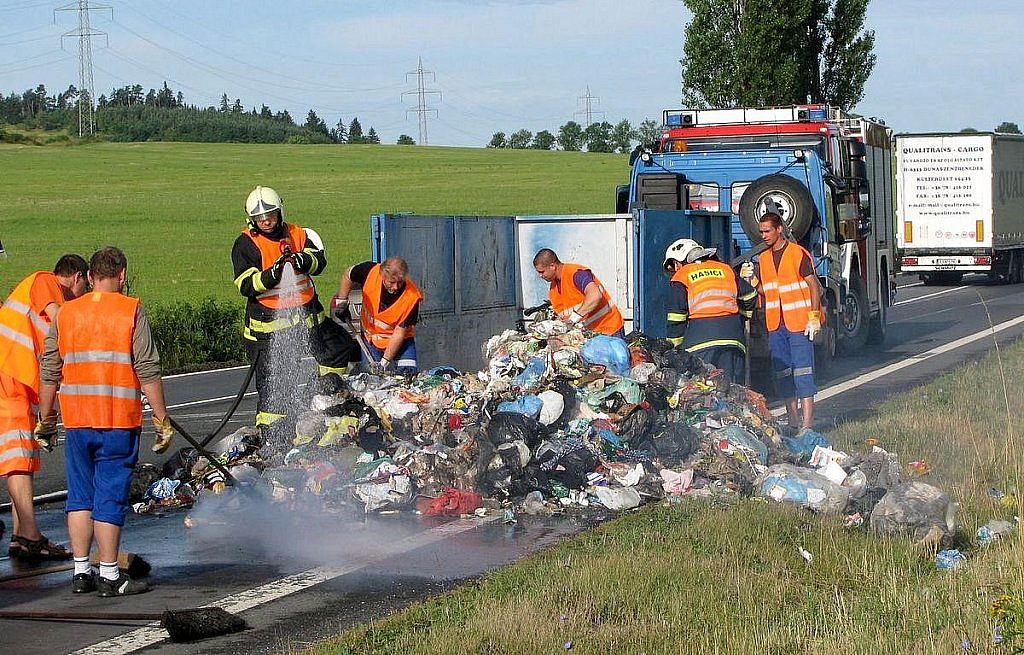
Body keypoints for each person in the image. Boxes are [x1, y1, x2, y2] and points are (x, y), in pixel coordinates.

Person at [35, 246, 174, 596]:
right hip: (116, 421)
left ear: (91, 276)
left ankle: (81, 572)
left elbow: (50, 369)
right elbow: (147, 368)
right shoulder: (130, 310)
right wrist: (161, 418)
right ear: (122, 274)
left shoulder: (66, 313)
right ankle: (110, 575)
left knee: (80, 495)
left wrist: (47, 418)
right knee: (109, 496)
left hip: (78, 422)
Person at [231, 186, 358, 435]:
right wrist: (272, 275)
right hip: (267, 331)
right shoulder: (246, 244)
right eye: (260, 218)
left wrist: (303, 260)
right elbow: (246, 284)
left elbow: (319, 261)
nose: (266, 221)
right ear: (251, 220)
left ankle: (324, 392)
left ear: (280, 211)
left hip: (308, 321)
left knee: (339, 345)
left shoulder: (296, 233)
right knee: (275, 385)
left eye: (271, 215)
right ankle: (271, 434)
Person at [0, 254, 88, 560]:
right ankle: (31, 535)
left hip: (17, 378)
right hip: (9, 374)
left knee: (22, 455)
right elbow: (62, 320)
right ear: (76, 276)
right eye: (84, 287)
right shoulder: (45, 281)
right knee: (18, 457)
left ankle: (20, 534)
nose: (83, 296)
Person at [740, 212, 823, 434]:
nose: (764, 236)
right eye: (761, 232)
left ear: (779, 229)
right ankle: (793, 421)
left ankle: (807, 424)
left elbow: (814, 286)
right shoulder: (764, 259)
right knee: (783, 372)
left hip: (799, 323)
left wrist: (814, 317)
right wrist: (752, 280)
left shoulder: (797, 254)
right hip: (776, 324)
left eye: (767, 231)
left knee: (803, 371)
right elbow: (767, 292)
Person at [663, 239, 755, 384]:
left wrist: (674, 349)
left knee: (703, 391)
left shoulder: (683, 275)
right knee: (731, 388)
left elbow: (677, 318)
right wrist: (741, 319)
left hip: (701, 343)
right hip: (733, 339)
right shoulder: (725, 269)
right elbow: (750, 295)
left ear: (677, 263)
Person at [333, 256, 423, 375]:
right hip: (370, 341)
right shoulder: (369, 272)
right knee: (371, 381)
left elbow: (399, 334)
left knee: (408, 377)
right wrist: (342, 302)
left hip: (402, 343)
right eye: (392, 282)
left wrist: (383, 363)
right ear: (383, 275)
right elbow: (347, 275)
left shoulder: (411, 298)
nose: (396, 287)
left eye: (400, 282)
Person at [532, 249, 625, 338]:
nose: (540, 276)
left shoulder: (576, 274)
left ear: (552, 266)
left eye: (541, 272)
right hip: (590, 335)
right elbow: (563, 317)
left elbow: (595, 296)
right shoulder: (554, 289)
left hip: (608, 330)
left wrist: (573, 319)